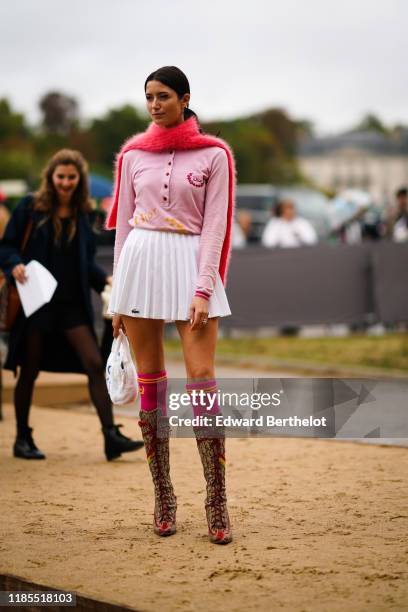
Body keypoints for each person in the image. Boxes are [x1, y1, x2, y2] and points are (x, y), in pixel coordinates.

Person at [106, 66, 235, 545]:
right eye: (149, 98)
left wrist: (203, 288)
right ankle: (163, 495)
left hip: (190, 264)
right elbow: (121, 228)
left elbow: (216, 226)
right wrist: (118, 294)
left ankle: (216, 500)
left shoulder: (214, 154)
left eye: (163, 96)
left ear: (185, 98)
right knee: (150, 384)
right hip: (141, 264)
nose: (155, 105)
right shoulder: (132, 156)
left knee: (202, 379)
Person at [0, 150, 144, 461]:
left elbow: (84, 263)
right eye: (60, 176)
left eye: (71, 177)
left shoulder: (85, 213)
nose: (65, 183)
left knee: (94, 363)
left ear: (79, 180)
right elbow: (7, 245)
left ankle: (110, 435)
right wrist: (13, 264)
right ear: (51, 177)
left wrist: (106, 281)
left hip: (72, 306)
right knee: (30, 369)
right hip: (36, 302)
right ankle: (22, 437)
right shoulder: (30, 207)